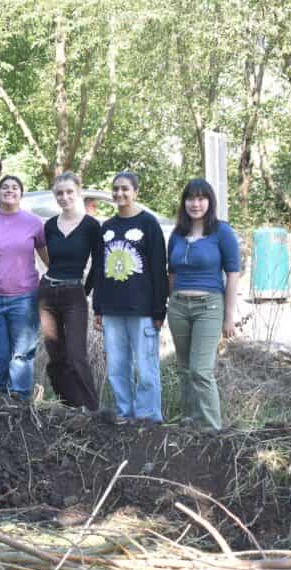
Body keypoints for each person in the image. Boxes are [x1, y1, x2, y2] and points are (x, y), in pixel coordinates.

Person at [90, 171, 169, 422]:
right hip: (112, 310)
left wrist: (159, 309)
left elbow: (159, 268)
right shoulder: (107, 227)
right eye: (115, 189)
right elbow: (99, 270)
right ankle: (125, 414)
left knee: (145, 369)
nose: (119, 193)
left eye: (125, 189)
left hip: (142, 310)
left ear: (136, 192)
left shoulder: (149, 224)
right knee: (116, 369)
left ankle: (147, 418)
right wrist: (98, 307)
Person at [167, 179, 240, 430]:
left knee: (200, 370)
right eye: (190, 198)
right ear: (184, 202)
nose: (195, 204)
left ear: (209, 201)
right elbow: (172, 272)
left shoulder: (221, 232)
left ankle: (212, 429)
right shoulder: (177, 235)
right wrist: (171, 301)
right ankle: (190, 422)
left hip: (208, 306)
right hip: (178, 306)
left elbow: (233, 273)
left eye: (201, 198)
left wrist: (229, 316)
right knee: (185, 369)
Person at [0, 175, 48, 400]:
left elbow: (48, 259)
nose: (9, 190)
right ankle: (2, 398)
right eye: (4, 187)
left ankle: (20, 401)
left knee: (22, 355)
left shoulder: (33, 223)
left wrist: (54, 285)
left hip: (24, 298)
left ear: (21, 193)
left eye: (14, 187)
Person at [38, 172, 101, 410]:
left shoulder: (91, 226)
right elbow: (47, 258)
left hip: (74, 294)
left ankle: (93, 411)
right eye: (59, 193)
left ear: (79, 192)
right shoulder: (50, 225)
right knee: (56, 357)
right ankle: (70, 407)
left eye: (69, 192)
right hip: (47, 295)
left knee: (76, 356)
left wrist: (84, 290)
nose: (64, 197)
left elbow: (98, 264)